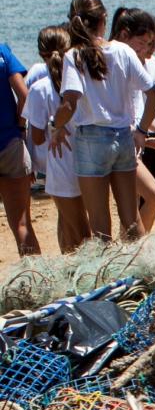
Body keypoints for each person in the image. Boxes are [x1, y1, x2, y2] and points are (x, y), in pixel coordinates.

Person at [50, 0, 155, 241]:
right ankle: (143, 273)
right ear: (104, 19)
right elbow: (154, 95)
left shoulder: (74, 56)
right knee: (132, 221)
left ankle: (107, 278)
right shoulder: (123, 51)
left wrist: (55, 125)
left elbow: (69, 102)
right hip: (122, 138)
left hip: (91, 139)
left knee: (100, 228)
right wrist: (142, 131)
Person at [25, 27, 87, 252]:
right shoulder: (79, 80)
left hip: (59, 165)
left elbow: (38, 137)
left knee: (77, 230)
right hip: (86, 159)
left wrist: (52, 128)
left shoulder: (39, 89)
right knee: (74, 223)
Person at [110, 6, 155, 229]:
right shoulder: (121, 58)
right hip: (119, 143)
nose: (147, 49)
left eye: (150, 44)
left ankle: (132, 249)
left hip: (130, 141)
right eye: (144, 43)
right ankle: (134, 249)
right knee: (150, 200)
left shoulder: (134, 61)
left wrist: (146, 132)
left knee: (136, 208)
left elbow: (141, 106)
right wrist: (145, 132)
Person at [0, 38, 39, 255]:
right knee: (22, 224)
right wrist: (20, 125)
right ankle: (38, 282)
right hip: (10, 144)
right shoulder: (3, 52)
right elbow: (25, 96)